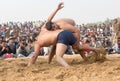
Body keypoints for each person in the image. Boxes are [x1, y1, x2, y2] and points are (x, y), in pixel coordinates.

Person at [28, 2, 104, 67]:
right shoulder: (44, 28)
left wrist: (30, 65)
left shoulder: (38, 42)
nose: (53, 29)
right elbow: (49, 19)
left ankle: (68, 67)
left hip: (67, 30)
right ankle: (95, 50)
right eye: (52, 29)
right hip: (66, 33)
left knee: (59, 57)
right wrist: (57, 9)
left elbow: (34, 56)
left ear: (35, 39)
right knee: (78, 47)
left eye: (53, 27)